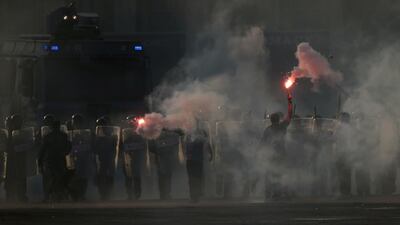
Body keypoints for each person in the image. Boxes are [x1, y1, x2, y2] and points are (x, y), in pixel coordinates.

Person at [260, 93, 293, 200]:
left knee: (271, 173)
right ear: (278, 119)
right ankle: (278, 192)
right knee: (280, 173)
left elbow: (262, 143)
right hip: (280, 153)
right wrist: (289, 101)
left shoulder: (268, 129)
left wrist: (260, 154)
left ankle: (271, 192)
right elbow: (290, 115)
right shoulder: (282, 127)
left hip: (272, 154)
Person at [38, 120, 71, 202]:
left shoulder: (50, 136)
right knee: (56, 178)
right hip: (55, 160)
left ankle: (53, 196)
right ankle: (55, 196)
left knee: (55, 179)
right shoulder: (62, 136)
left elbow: (42, 150)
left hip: (54, 160)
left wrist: (40, 161)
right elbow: (68, 147)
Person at [4, 114, 32, 202]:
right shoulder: (8, 132)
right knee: (10, 178)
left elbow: (29, 145)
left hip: (20, 159)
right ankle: (10, 195)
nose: (15, 123)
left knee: (21, 177)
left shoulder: (24, 132)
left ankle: (21, 196)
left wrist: (16, 149)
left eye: (16, 121)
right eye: (14, 121)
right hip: (10, 159)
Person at [184, 123, 212, 202]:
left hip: (194, 160)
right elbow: (208, 144)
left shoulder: (192, 137)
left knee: (194, 178)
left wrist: (210, 154)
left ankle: (195, 195)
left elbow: (207, 144)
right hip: (195, 160)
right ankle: (195, 195)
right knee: (195, 178)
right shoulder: (194, 137)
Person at [67, 114, 92, 201]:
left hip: (83, 158)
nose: (76, 123)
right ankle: (75, 195)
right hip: (73, 159)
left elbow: (90, 145)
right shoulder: (69, 133)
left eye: (78, 121)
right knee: (73, 177)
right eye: (74, 121)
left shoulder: (86, 133)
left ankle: (82, 195)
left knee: (83, 178)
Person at [150, 129, 180, 200]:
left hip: (166, 159)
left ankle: (165, 194)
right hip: (162, 159)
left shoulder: (170, 136)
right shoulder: (157, 136)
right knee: (164, 178)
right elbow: (151, 147)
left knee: (165, 178)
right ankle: (164, 194)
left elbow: (175, 145)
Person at [122, 115, 147, 200]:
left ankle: (137, 195)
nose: (131, 123)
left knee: (136, 176)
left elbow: (144, 145)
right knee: (128, 177)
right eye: (130, 121)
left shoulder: (140, 132)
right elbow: (121, 145)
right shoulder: (124, 133)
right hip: (127, 157)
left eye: (133, 121)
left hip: (137, 158)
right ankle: (129, 195)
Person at [93, 116, 118, 200]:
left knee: (109, 177)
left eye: (102, 125)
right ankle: (103, 194)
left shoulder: (113, 136)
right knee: (100, 177)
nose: (102, 127)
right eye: (100, 125)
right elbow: (95, 148)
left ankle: (109, 194)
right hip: (100, 159)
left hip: (109, 159)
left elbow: (114, 147)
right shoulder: (97, 137)